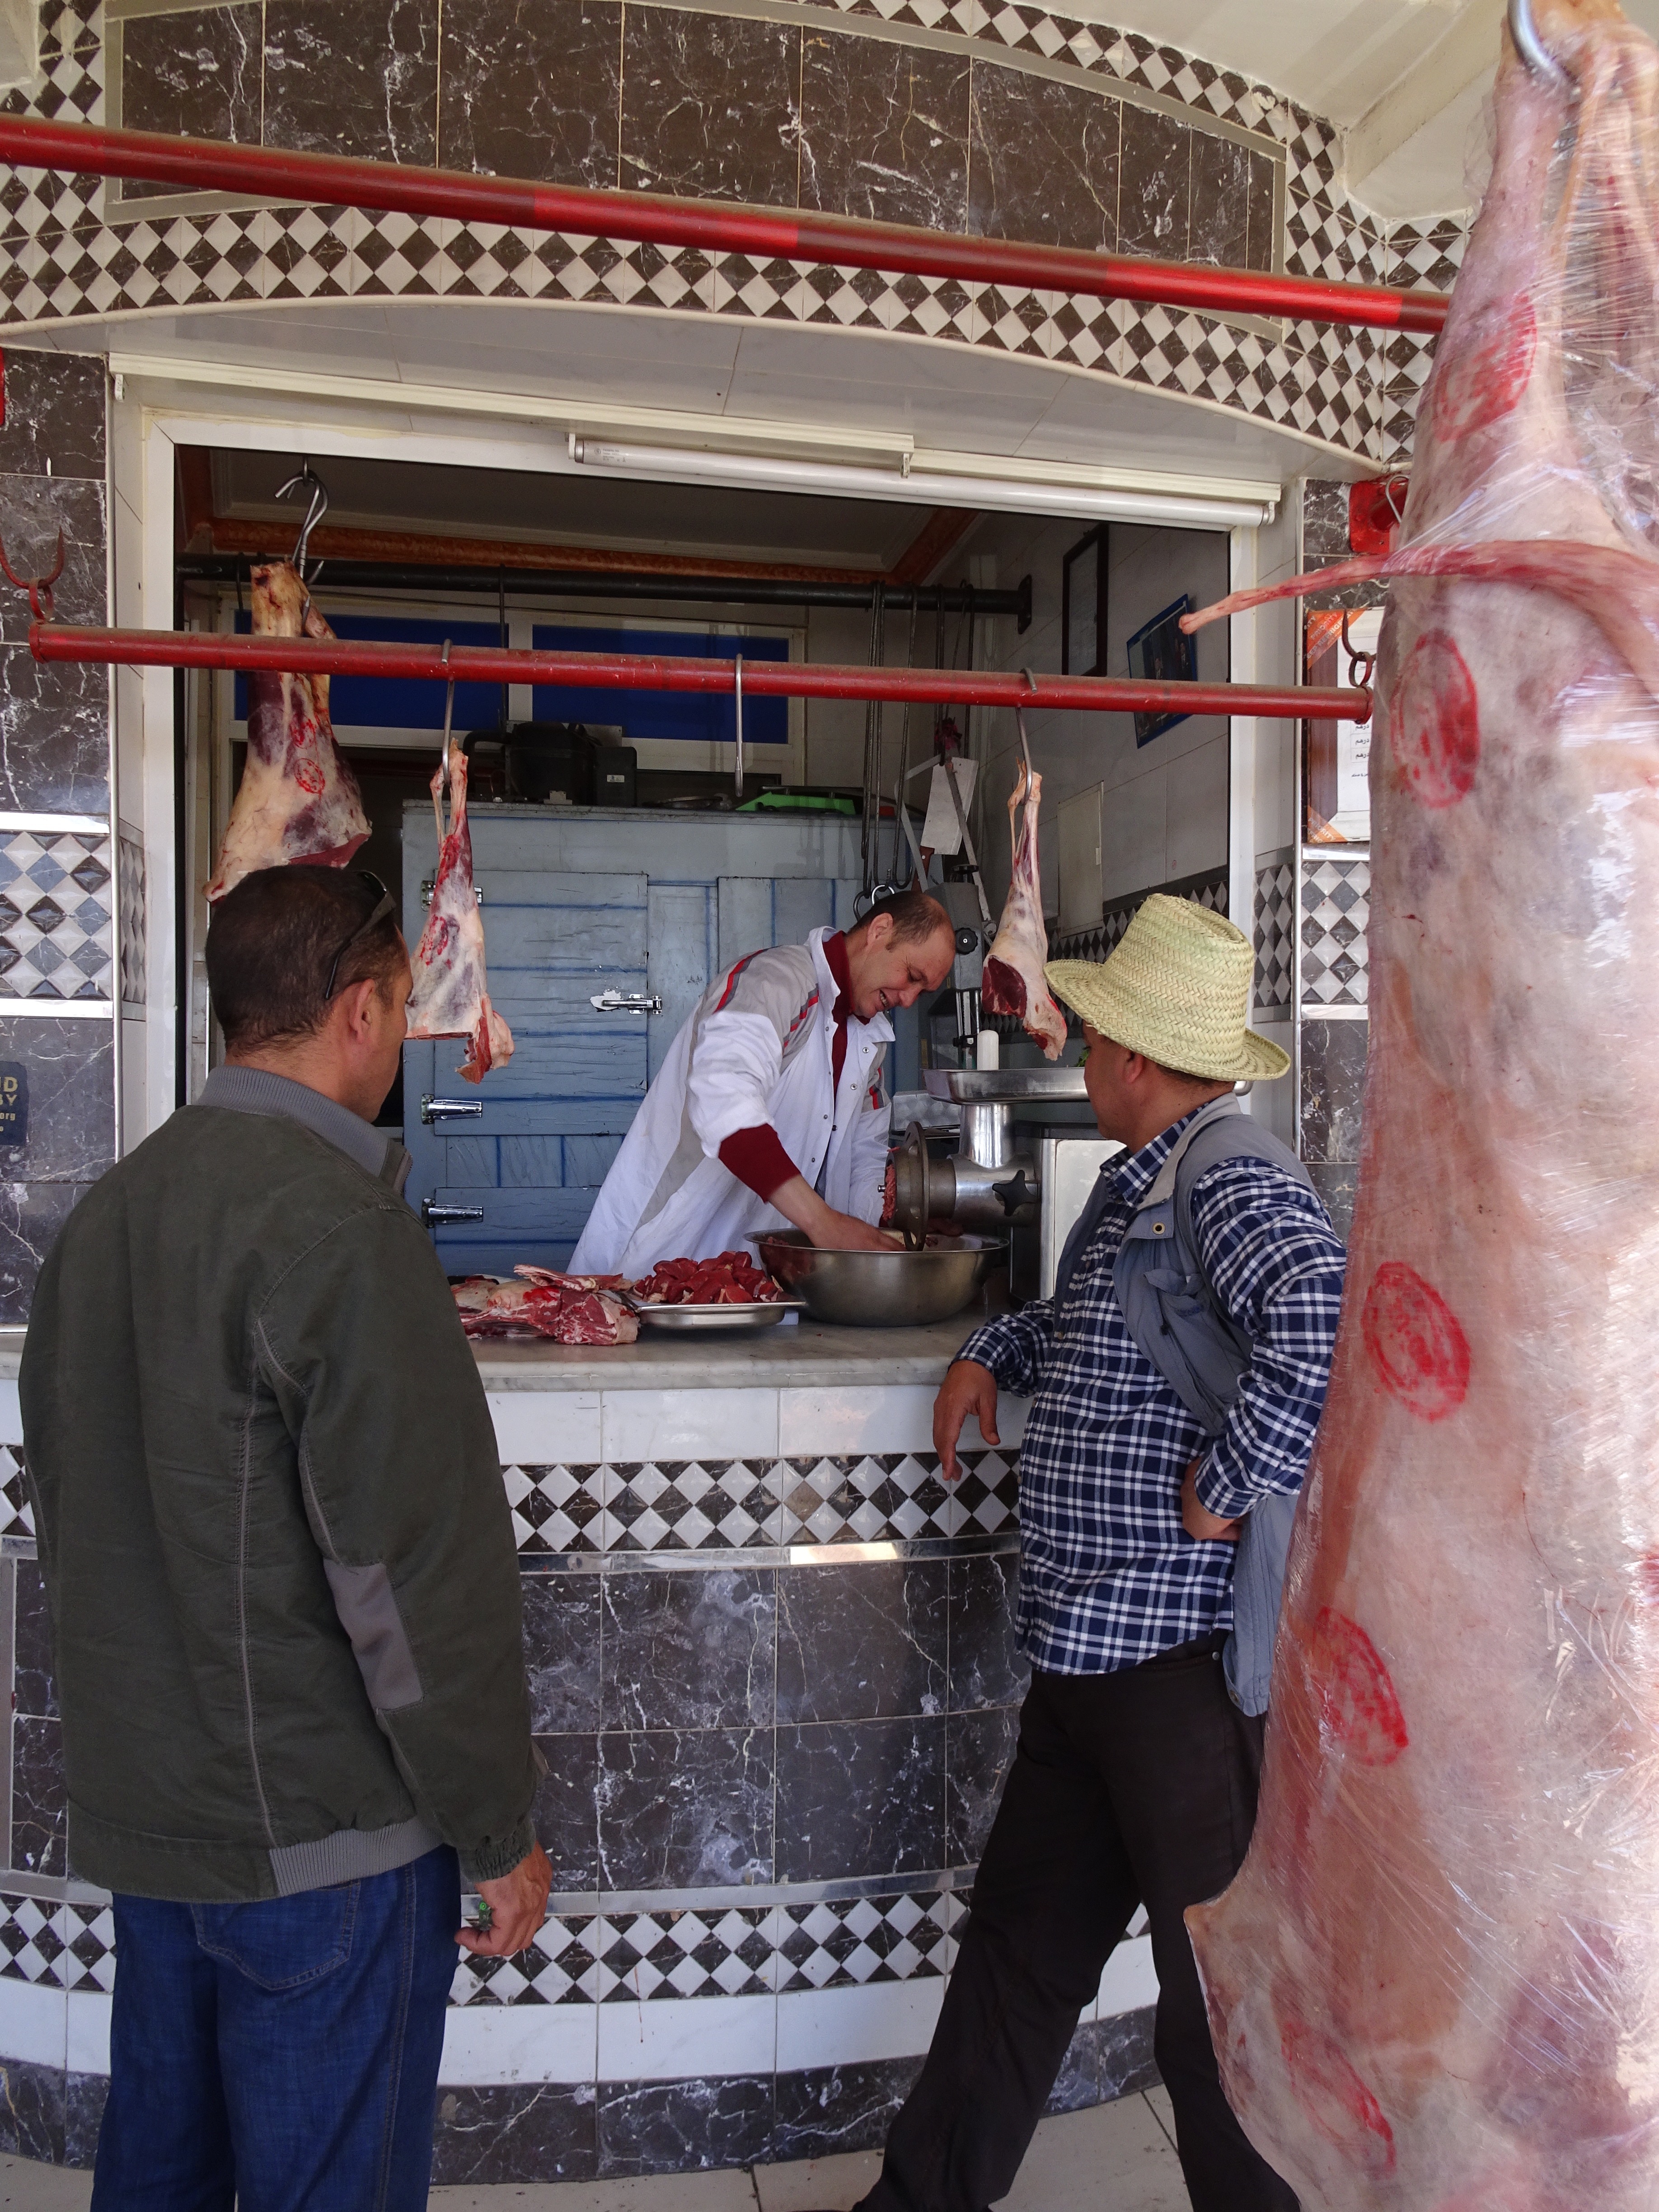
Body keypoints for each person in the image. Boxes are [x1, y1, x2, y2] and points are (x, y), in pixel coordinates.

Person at [19, 865, 553, 2212]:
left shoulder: (104, 1221)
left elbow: (76, 1517)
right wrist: (493, 1826)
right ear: (364, 1011)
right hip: (326, 1848)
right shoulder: (336, 1224)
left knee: (162, 2180)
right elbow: (415, 1576)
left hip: (157, 1830)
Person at [830, 895, 1346, 2212]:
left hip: (1176, 1670)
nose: (1088, 1059)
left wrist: (1226, 1487)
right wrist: (984, 1353)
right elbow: (1085, 1333)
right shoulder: (1144, 1180)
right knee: (1019, 1954)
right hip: (1093, 1660)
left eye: (1099, 1037)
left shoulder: (1227, 1171)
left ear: (1131, 1054)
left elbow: (1323, 1313)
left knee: (1215, 2010)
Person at [571, 886, 956, 1276]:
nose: (909, 1000)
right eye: (911, 976)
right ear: (880, 930)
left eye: (921, 992)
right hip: (661, 1259)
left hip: (749, 1283)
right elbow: (724, 1100)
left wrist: (899, 1227)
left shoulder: (869, 1040)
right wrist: (821, 1222)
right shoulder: (774, 981)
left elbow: (864, 1157)